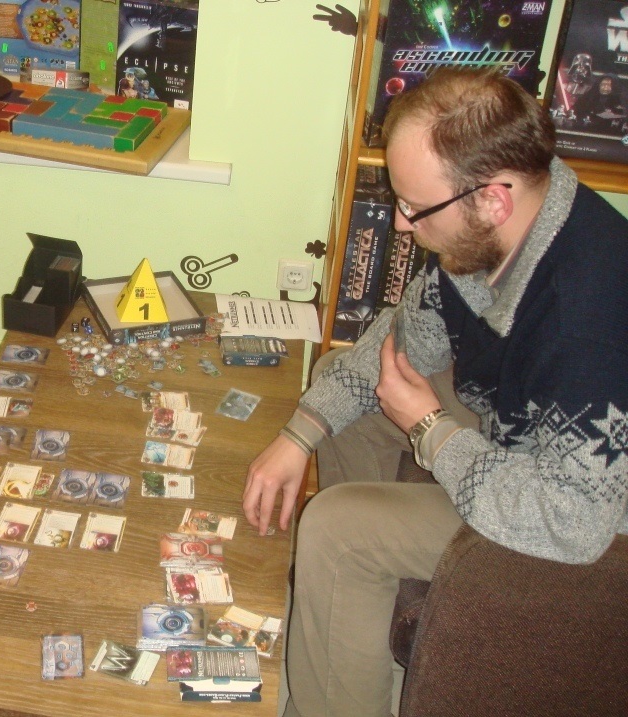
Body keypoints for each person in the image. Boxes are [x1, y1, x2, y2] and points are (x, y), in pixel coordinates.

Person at [242, 67, 628, 716]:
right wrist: (298, 434)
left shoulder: (589, 314)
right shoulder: (496, 231)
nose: (400, 223)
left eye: (415, 208)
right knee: (351, 388)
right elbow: (400, 345)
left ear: (493, 199)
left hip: (587, 526)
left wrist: (433, 431)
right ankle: (349, 617)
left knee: (336, 528)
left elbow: (574, 521)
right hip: (519, 443)